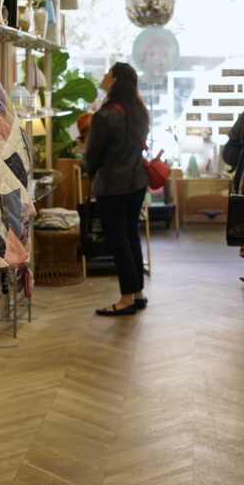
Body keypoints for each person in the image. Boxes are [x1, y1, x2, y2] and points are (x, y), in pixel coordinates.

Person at [83, 62, 150, 316]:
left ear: (114, 80)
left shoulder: (105, 115)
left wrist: (88, 171)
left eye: (107, 72)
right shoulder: (139, 111)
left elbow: (94, 154)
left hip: (112, 185)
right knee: (131, 235)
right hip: (136, 183)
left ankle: (125, 300)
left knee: (118, 240)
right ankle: (138, 294)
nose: (103, 76)